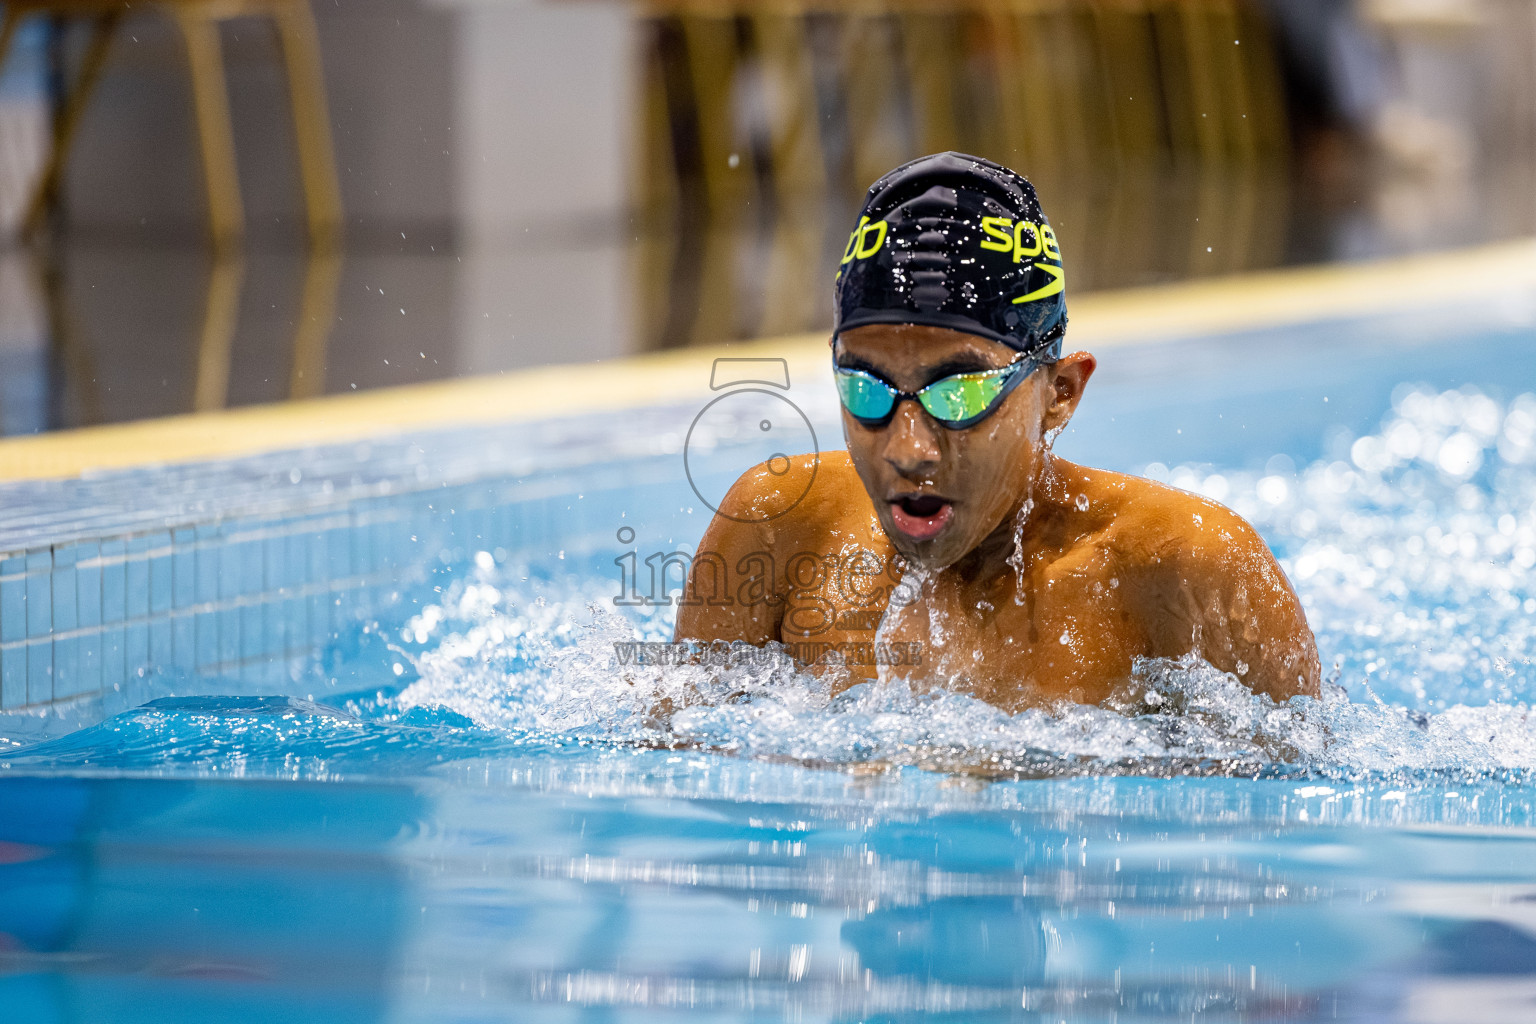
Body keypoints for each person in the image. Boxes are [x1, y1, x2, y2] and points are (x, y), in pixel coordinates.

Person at [675, 153, 1320, 708]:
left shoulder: (1192, 568)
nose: (908, 449)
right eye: (866, 389)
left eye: (960, 393)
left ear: (1060, 393)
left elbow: (1290, 821)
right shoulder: (779, 524)